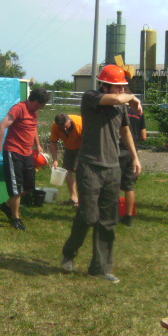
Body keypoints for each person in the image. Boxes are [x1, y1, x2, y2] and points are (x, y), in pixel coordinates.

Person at [61, 65, 142, 283]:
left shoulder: (120, 105)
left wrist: (135, 157)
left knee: (108, 220)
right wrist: (132, 98)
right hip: (90, 166)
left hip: (112, 168)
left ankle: (100, 268)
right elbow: (117, 99)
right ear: (105, 86)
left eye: (123, 87)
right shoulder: (91, 97)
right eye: (118, 87)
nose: (122, 91)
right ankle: (69, 252)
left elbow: (125, 130)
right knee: (88, 215)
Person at [0, 88, 51, 232]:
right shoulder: (19, 109)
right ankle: (16, 218)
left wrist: (38, 145)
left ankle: (6, 206)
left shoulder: (35, 111)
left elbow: (33, 128)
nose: (42, 108)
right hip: (14, 152)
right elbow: (2, 126)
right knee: (16, 190)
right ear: (35, 102)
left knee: (29, 187)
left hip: (27, 153)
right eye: (42, 105)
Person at [119, 93, 147, 227]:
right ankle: (129, 217)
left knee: (112, 184)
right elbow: (144, 136)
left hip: (118, 149)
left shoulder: (118, 109)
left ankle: (112, 214)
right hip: (132, 151)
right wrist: (135, 137)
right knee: (129, 186)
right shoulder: (138, 111)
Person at [49, 113, 83, 206]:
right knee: (67, 170)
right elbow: (53, 143)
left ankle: (84, 200)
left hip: (83, 147)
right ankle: (74, 198)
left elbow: (90, 141)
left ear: (70, 121)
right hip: (70, 146)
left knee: (82, 172)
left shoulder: (80, 124)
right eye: (61, 127)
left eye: (66, 126)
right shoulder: (56, 126)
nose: (64, 129)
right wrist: (55, 160)